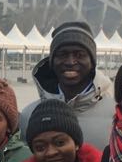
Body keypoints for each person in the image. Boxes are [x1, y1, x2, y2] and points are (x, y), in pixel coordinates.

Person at [20, 21, 115, 149]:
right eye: (62, 54)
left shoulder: (116, 114)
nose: (70, 62)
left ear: (92, 62)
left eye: (79, 55)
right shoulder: (29, 115)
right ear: (51, 61)